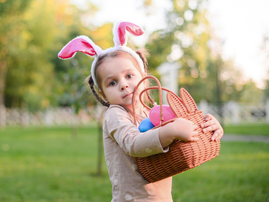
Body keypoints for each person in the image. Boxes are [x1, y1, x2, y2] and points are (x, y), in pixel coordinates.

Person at [58, 21, 224, 202]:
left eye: (129, 75)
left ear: (144, 77)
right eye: (112, 82)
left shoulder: (150, 112)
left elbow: (182, 130)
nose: (123, 84)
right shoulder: (115, 114)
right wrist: (170, 130)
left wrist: (207, 126)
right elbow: (134, 143)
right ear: (102, 93)